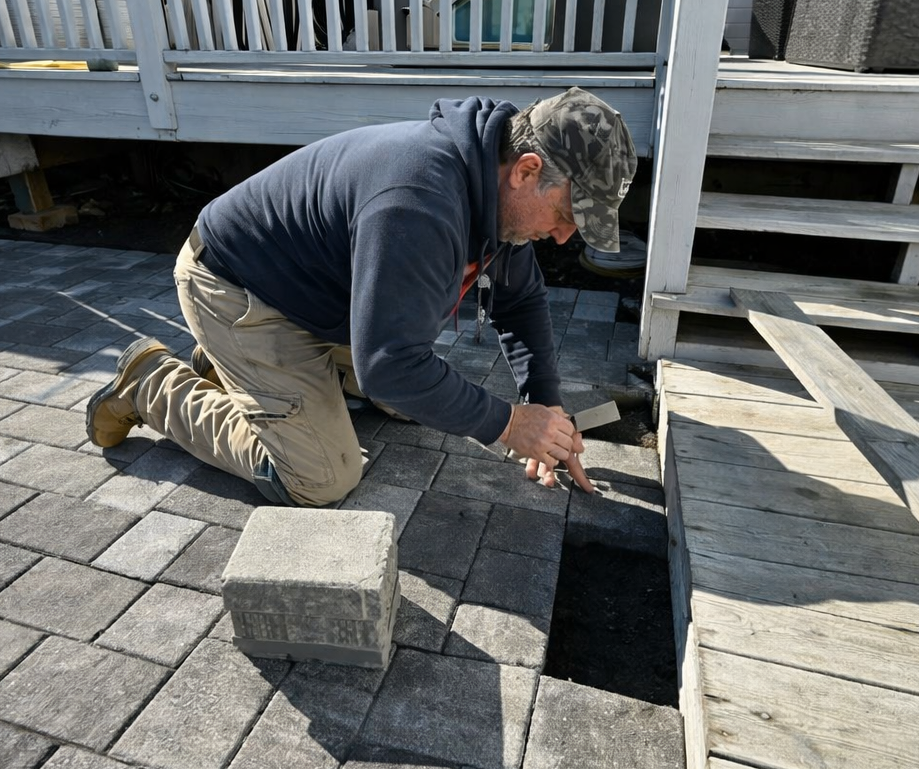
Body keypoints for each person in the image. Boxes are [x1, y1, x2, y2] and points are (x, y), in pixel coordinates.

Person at [85, 86, 637, 507]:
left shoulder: (492, 189)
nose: (565, 236)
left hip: (312, 295)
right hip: (234, 287)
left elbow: (519, 302)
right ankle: (151, 383)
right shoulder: (419, 200)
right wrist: (511, 425)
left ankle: (245, 369)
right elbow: (389, 365)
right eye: (566, 215)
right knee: (323, 477)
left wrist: (544, 404)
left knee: (418, 401)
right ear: (527, 170)